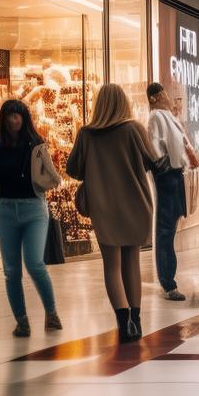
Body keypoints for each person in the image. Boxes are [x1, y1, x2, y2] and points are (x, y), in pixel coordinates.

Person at [66, 83, 163, 342]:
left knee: (112, 265)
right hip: (136, 203)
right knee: (132, 261)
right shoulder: (134, 129)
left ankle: (123, 323)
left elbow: (73, 169)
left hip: (104, 205)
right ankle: (137, 320)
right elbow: (152, 161)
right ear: (123, 103)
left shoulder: (86, 134)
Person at [0, 99, 62, 337]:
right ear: (3, 119)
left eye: (17, 115)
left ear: (24, 118)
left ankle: (52, 313)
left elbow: (54, 178)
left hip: (34, 209)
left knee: (34, 263)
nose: (13, 119)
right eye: (9, 115)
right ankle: (22, 321)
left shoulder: (36, 145)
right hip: (6, 209)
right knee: (11, 270)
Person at [146, 82, 199, 301]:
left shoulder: (167, 116)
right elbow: (154, 145)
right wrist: (164, 165)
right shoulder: (157, 116)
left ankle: (169, 280)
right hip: (167, 175)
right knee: (165, 230)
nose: (168, 97)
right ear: (155, 98)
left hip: (174, 174)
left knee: (170, 227)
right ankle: (168, 282)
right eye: (164, 93)